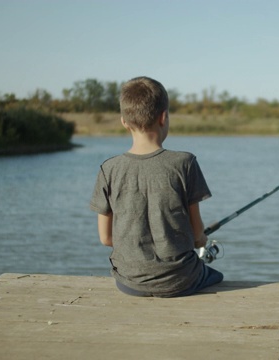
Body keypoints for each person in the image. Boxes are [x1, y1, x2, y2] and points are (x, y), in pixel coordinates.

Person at [89, 76, 223, 297]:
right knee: (217, 277)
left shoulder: (109, 169)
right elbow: (198, 233)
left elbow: (105, 239)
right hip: (180, 280)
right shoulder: (184, 163)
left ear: (124, 121)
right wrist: (200, 240)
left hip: (128, 282)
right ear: (164, 117)